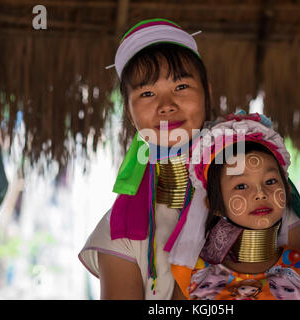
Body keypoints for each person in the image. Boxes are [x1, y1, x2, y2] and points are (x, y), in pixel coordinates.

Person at [78, 18, 212, 299]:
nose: (166, 106)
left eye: (181, 87)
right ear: (129, 112)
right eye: (147, 93)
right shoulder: (119, 232)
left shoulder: (260, 187)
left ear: (207, 93)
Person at [171, 112, 300, 300]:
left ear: (287, 190)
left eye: (271, 181)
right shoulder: (193, 275)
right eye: (241, 186)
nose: (260, 193)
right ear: (214, 205)